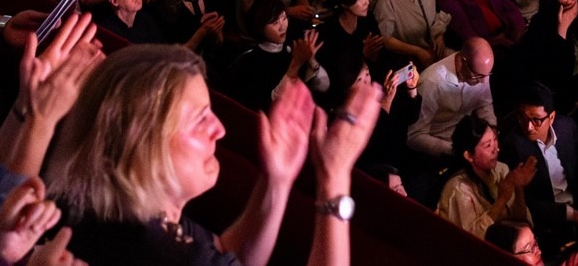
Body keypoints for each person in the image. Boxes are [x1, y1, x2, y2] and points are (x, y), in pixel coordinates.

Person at [43, 44, 380, 265]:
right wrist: (334, 179)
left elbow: (226, 256)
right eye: (199, 119)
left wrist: (277, 180)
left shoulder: (116, 210)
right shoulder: (158, 253)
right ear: (141, 144)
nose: (219, 129)